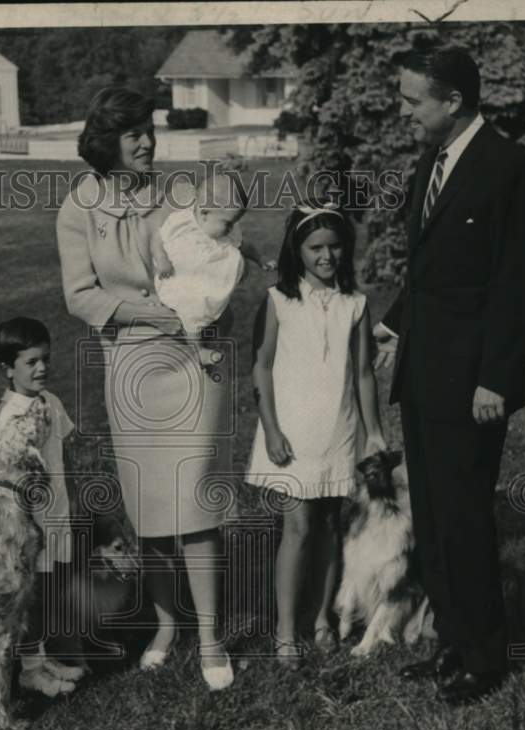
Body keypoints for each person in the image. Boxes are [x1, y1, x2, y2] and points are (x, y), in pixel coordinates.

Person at [373, 46, 525, 704]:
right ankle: (452, 638)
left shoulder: (507, 169)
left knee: (466, 515)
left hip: (472, 382)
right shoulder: (435, 158)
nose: (403, 110)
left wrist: (496, 379)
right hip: (422, 373)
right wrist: (391, 326)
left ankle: (485, 656)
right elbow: (431, 272)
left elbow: (519, 282)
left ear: (452, 102)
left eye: (413, 100)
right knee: (436, 514)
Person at [56, 86, 234, 690]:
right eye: (133, 133)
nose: (148, 141)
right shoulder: (79, 207)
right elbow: (80, 295)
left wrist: (204, 306)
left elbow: (216, 250)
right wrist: (150, 314)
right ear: (107, 142)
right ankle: (165, 625)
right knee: (151, 506)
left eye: (149, 130)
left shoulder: (177, 194)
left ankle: (210, 635)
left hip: (193, 360)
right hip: (131, 366)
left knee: (196, 500)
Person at [247, 204, 386, 666]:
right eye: (315, 248)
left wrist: (374, 434)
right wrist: (271, 428)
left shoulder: (355, 303)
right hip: (292, 431)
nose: (326, 256)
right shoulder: (279, 299)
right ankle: (286, 630)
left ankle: (322, 617)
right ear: (298, 250)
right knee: (298, 526)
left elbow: (365, 373)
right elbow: (262, 368)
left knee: (329, 524)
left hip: (339, 428)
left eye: (334, 247)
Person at [0, 316, 86, 697]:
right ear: (8, 369)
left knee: (50, 592)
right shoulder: (9, 416)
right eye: (31, 362)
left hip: (57, 516)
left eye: (45, 358)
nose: (42, 367)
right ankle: (29, 669)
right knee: (30, 598)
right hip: (31, 525)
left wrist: (72, 497)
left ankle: (43, 659)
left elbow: (65, 452)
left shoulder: (50, 402)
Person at [151, 171, 269, 371]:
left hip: (206, 280)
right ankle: (198, 351)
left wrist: (260, 259)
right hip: (179, 279)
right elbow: (157, 238)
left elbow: (244, 245)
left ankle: (212, 340)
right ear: (204, 213)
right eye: (228, 223)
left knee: (218, 311)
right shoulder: (181, 221)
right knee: (191, 310)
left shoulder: (224, 228)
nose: (231, 229)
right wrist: (162, 259)